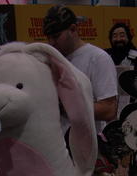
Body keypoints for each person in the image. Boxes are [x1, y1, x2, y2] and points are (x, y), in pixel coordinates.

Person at [43, 4, 118, 133]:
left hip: (87, 141)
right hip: (56, 140)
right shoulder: (51, 59)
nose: (51, 43)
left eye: (56, 36)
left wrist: (65, 107)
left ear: (73, 29)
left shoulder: (98, 58)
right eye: (48, 38)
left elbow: (109, 110)